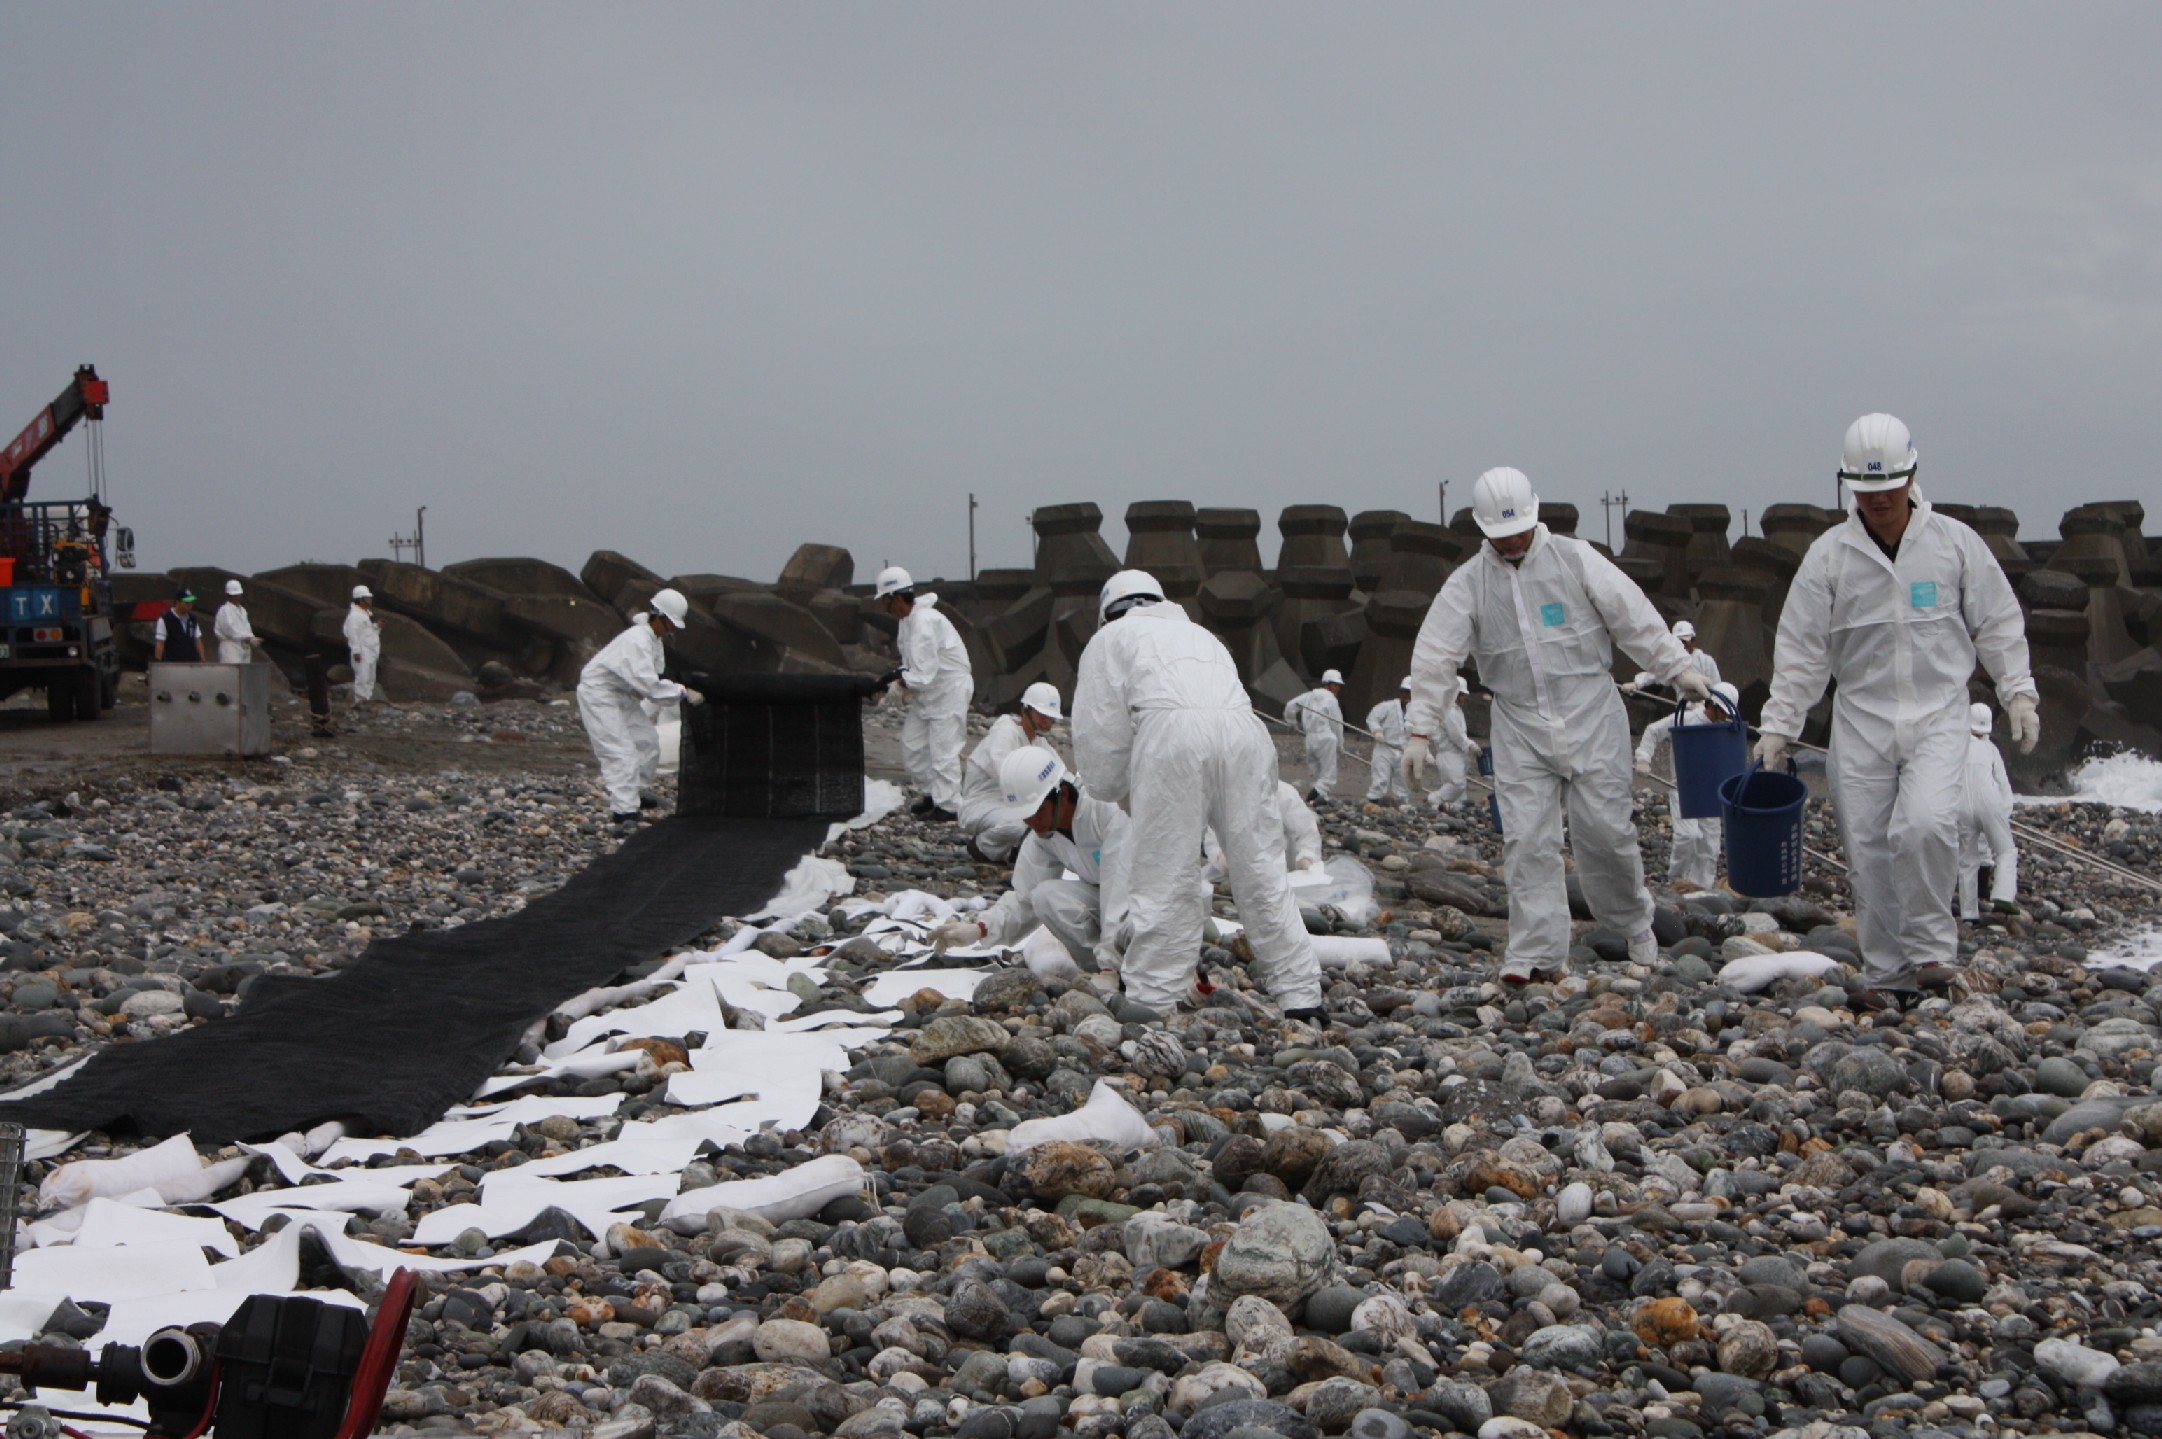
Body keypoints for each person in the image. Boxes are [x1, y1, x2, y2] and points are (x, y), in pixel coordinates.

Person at [1757, 413, 2037, 1010]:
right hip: (1860, 718)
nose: (1879, 500)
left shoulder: (1955, 543)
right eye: (1866, 489)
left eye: (1889, 487)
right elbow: (1802, 649)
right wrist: (1781, 725)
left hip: (1939, 713)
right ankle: (1890, 975)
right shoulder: (1828, 557)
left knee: (1928, 824)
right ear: (1848, 486)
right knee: (1868, 846)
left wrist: (2018, 690)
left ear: (1912, 475)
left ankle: (1934, 949)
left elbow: (1996, 619)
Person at [1404, 467, 1712, 983]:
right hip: (1519, 721)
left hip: (1591, 710)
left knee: (1606, 832)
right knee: (1526, 840)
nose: (1513, 541)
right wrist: (1420, 728)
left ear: (1536, 514)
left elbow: (1630, 613)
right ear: (1483, 531)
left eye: (1519, 528)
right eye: (1501, 535)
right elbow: (1436, 655)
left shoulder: (1575, 558)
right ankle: (1536, 953)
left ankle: (1635, 925)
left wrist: (1675, 668)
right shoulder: (1468, 585)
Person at [1072, 569, 1325, 1021]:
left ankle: (1151, 999)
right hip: (1246, 735)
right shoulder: (1201, 635)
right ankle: (1301, 994)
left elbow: (1100, 740)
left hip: (1171, 737)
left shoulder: (1110, 640)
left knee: (1166, 875)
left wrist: (1120, 790)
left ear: (1108, 612)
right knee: (1262, 871)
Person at [933, 748, 1131, 974]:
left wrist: (1111, 956)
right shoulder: (1044, 834)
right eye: (1025, 815)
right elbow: (1025, 898)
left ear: (1063, 795)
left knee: (1134, 930)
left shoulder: (1107, 811)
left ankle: (1116, 967)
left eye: (1037, 811)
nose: (1032, 822)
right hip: (1111, 902)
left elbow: (1119, 892)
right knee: (1046, 896)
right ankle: (1104, 970)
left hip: (1147, 901)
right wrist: (980, 929)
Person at [579, 588, 701, 826]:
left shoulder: (653, 641)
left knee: (647, 742)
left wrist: (679, 685)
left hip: (619, 694)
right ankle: (624, 812)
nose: (673, 629)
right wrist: (682, 692)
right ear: (659, 617)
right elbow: (649, 685)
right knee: (619, 751)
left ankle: (634, 793)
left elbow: (656, 677)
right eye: (671, 624)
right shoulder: (637, 640)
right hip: (599, 694)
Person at [876, 566, 973, 822]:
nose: (883, 606)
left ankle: (950, 805)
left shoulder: (924, 621)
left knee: (944, 750)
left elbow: (924, 674)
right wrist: (897, 678)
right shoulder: (908, 622)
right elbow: (915, 667)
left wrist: (898, 682)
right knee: (913, 745)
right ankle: (934, 793)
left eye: (884, 600)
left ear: (896, 597)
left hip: (949, 690)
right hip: (931, 692)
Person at [1634, 681, 1743, 891]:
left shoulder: (1729, 727)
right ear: (1711, 705)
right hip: (1684, 788)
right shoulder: (1686, 718)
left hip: (1712, 790)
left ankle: (1701, 887)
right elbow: (1653, 731)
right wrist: (1643, 757)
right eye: (1721, 712)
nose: (1724, 717)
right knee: (1688, 835)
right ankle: (1677, 881)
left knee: (1710, 844)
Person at [956, 682, 1063, 863]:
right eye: (1042, 715)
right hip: (981, 803)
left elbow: (1062, 776)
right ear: (1025, 710)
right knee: (1017, 825)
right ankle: (983, 848)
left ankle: (1021, 852)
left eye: (1050, 717)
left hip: (1012, 805)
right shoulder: (1004, 734)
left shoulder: (1040, 745)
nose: (1046, 721)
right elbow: (1006, 774)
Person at [1958, 702, 2020, 920]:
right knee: (2006, 851)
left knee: (1966, 861)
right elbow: (2003, 785)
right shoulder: (1991, 749)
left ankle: (1969, 914)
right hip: (1989, 802)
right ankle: (2002, 896)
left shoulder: (1955, 746)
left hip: (1961, 804)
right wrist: (2003, 814)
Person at [1208, 781, 1324, 879]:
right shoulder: (1224, 795)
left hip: (1286, 876)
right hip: (1239, 878)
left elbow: (1307, 832)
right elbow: (1212, 836)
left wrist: (1306, 858)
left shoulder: (1282, 793)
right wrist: (1220, 859)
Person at [1282, 669, 1346, 802]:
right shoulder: (1331, 699)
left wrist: (1292, 722)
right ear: (1326, 684)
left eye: (1339, 685)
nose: (1338, 688)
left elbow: (1290, 706)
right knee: (1328, 776)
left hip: (1310, 739)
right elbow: (1337, 723)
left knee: (1318, 773)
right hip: (1326, 738)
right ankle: (1311, 799)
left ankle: (1321, 800)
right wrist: (1340, 743)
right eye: (1335, 685)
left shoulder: (1308, 696)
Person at [1364, 679, 1413, 805]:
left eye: (1411, 693)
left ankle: (1401, 806)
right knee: (1380, 778)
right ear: (1401, 692)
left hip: (1404, 751)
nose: (1408, 696)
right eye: (1405, 692)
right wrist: (1377, 731)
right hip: (1384, 748)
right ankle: (1373, 802)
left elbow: (1421, 733)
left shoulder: (1417, 713)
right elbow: (1372, 717)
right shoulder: (1387, 706)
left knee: (1403, 781)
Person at [344, 586, 382, 703]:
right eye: (367, 598)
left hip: (371, 651)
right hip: (362, 651)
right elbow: (353, 635)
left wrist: (377, 627)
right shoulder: (354, 616)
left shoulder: (367, 613)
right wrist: (356, 651)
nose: (370, 600)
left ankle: (367, 701)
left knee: (370, 679)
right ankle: (360, 703)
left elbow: (369, 632)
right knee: (362, 679)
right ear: (361, 600)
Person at [213, 579, 260, 664]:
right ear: (228, 596)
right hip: (230, 647)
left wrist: (252, 637)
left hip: (244, 647)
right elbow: (229, 630)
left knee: (244, 674)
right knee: (232, 673)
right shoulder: (224, 610)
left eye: (238, 595)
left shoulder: (243, 610)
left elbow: (246, 626)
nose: (237, 597)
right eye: (234, 595)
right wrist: (247, 637)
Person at [152, 591, 203, 663]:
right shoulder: (166, 620)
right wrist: (157, 661)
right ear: (178, 602)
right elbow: (160, 643)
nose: (189, 605)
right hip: (173, 662)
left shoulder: (192, 619)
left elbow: (197, 639)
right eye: (187, 603)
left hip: (192, 662)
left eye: (191, 603)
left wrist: (202, 658)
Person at [1673, 621, 1721, 685]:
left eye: (1685, 641)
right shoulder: (1670, 660)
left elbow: (1717, 685)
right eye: (1680, 642)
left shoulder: (1706, 661)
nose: (1683, 645)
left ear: (1693, 641)